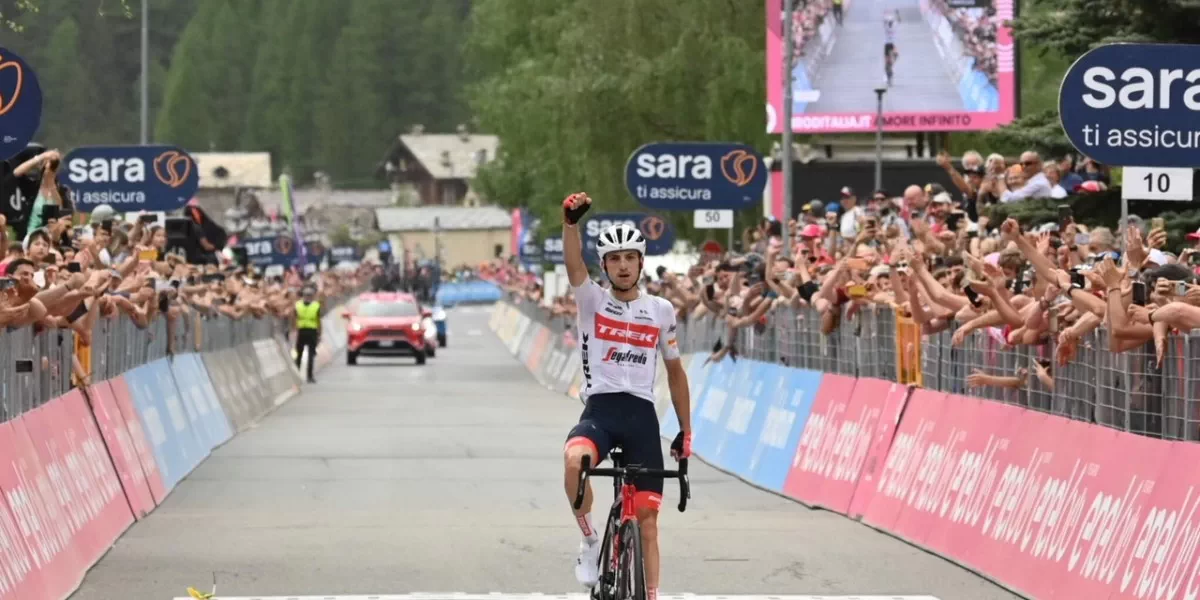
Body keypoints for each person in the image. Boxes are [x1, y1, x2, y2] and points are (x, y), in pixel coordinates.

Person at [559, 192, 692, 600]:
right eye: (613, 259)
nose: (622, 265)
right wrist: (570, 224)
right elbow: (572, 264)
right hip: (601, 411)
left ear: (640, 262)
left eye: (629, 257)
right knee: (573, 460)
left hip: (641, 417)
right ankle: (590, 540)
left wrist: (685, 433)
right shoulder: (592, 301)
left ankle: (650, 595)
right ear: (605, 265)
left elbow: (674, 371)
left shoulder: (661, 310)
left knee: (648, 522)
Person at [293, 285, 322, 384]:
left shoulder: (297, 305)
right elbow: (319, 321)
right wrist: (319, 334)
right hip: (311, 331)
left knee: (300, 355)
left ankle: (297, 376)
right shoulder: (316, 305)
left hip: (302, 331)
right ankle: (309, 377)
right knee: (310, 355)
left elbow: (294, 318)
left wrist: (294, 330)